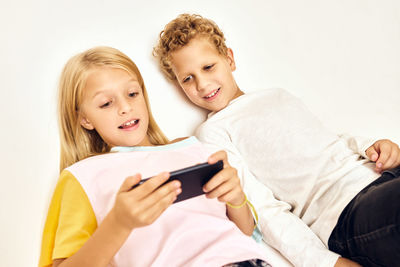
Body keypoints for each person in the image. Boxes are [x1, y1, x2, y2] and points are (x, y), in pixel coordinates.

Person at [153, 13, 400, 267]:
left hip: (380, 175)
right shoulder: (213, 131)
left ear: (229, 58)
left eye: (208, 67)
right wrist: (325, 263)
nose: (203, 84)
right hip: (347, 211)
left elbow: (329, 139)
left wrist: (371, 145)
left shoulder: (277, 95)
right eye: (188, 78)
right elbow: (263, 209)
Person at [38, 46, 273, 267]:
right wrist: (118, 224)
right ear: (84, 118)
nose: (125, 108)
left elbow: (245, 233)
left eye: (132, 93)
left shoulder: (195, 150)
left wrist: (236, 196)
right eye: (106, 103)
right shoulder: (83, 176)